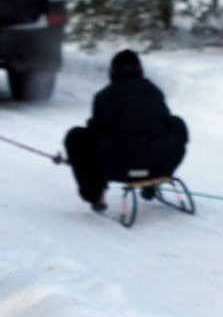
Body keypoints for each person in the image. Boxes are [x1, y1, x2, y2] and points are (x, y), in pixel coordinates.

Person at [64, 49, 189, 213]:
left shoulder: (103, 97)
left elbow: (95, 131)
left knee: (76, 137)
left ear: (113, 72)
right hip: (160, 167)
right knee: (176, 124)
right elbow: (164, 125)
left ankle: (96, 194)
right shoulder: (153, 92)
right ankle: (153, 183)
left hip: (118, 169)